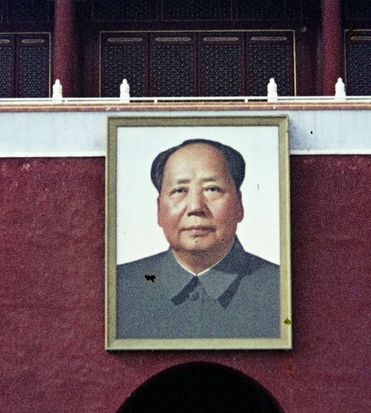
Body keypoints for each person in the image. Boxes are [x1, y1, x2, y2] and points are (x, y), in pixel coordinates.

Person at [115, 139, 281, 340]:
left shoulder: (281, 289)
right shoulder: (117, 288)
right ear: (159, 210)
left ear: (239, 204)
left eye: (212, 189)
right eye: (179, 191)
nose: (195, 207)